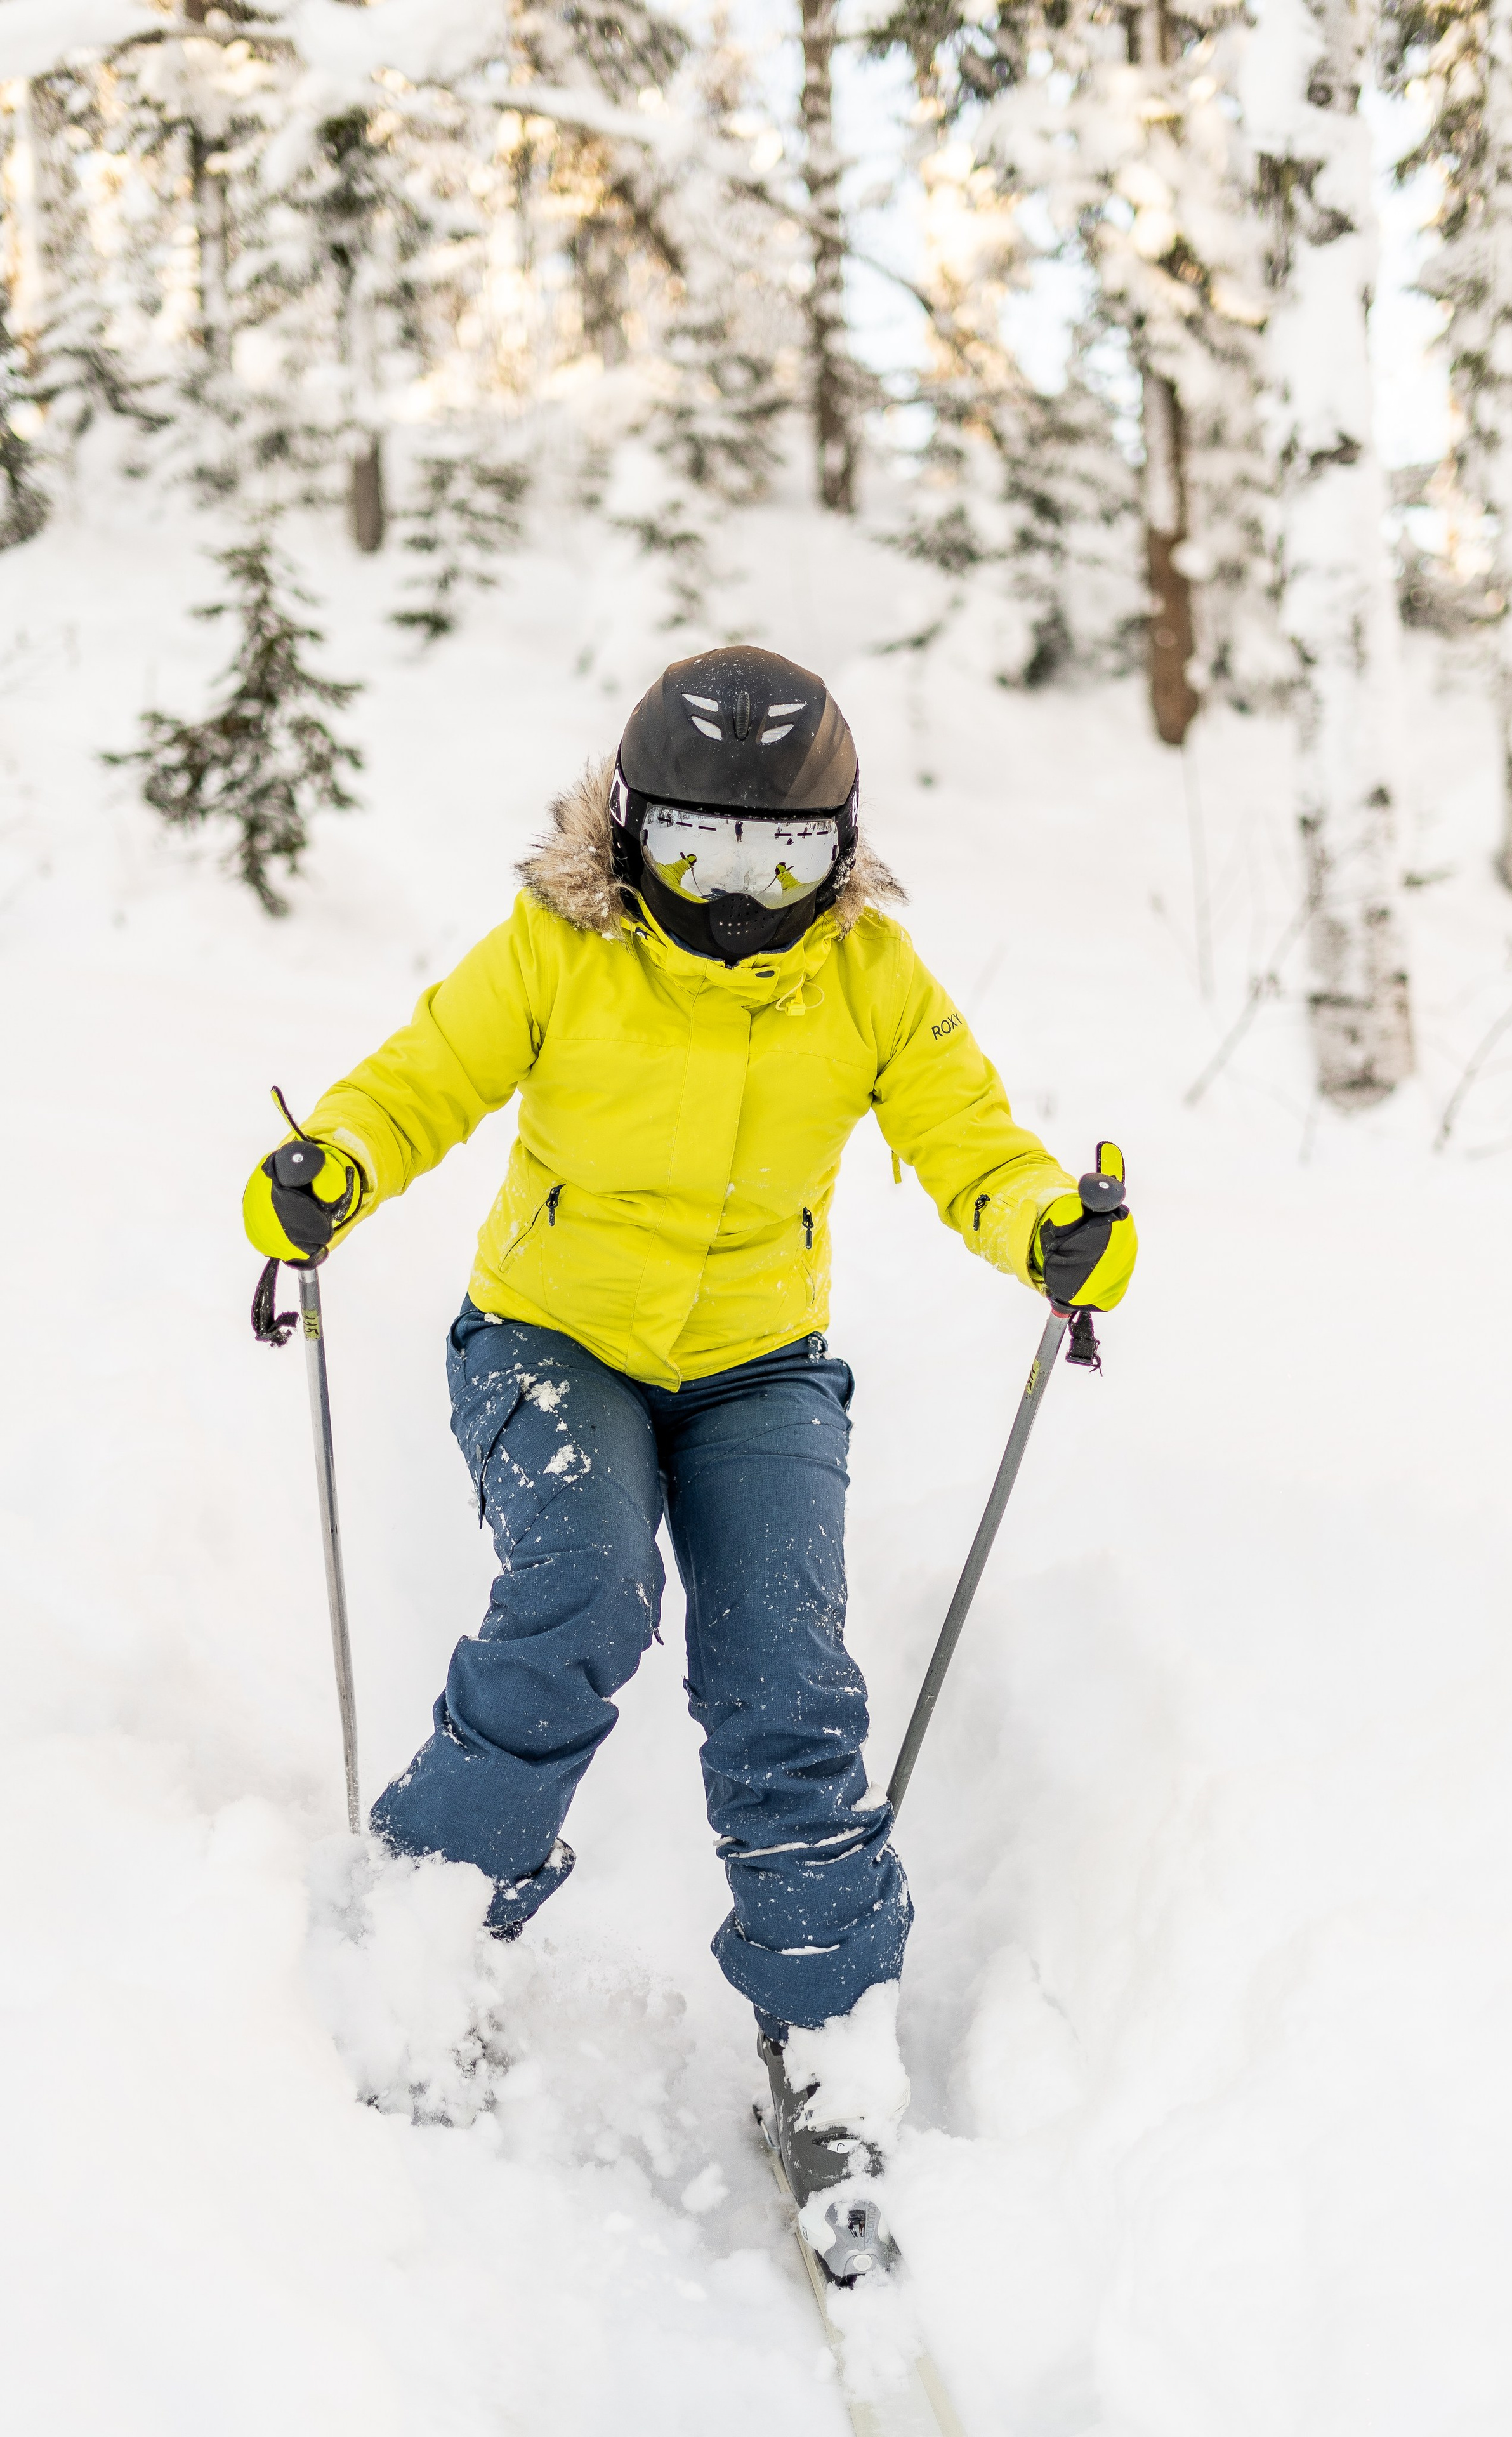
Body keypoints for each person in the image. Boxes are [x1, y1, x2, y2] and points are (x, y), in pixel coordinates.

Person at [244, 645, 1136, 2276]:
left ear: (840, 849)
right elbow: (424, 1077)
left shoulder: (869, 975)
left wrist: (1043, 1228)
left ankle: (821, 2041)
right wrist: (336, 1162)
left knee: (787, 1669)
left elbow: (967, 1137)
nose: (737, 894)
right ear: (631, 833)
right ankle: (435, 1917)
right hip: (547, 1341)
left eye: (781, 859)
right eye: (698, 854)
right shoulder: (558, 946)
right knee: (582, 1593)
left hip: (756, 1374)